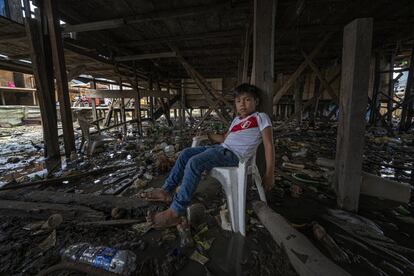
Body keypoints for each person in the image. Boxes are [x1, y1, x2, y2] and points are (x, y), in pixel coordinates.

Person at [142, 83, 275, 228]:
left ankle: (175, 213)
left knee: (194, 163)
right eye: (238, 101)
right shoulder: (237, 120)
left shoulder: (261, 117)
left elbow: (268, 145)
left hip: (234, 155)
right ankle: (166, 190)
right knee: (186, 153)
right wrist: (207, 134)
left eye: (247, 100)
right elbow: (225, 138)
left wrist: (269, 173)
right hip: (221, 149)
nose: (242, 104)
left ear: (256, 101)